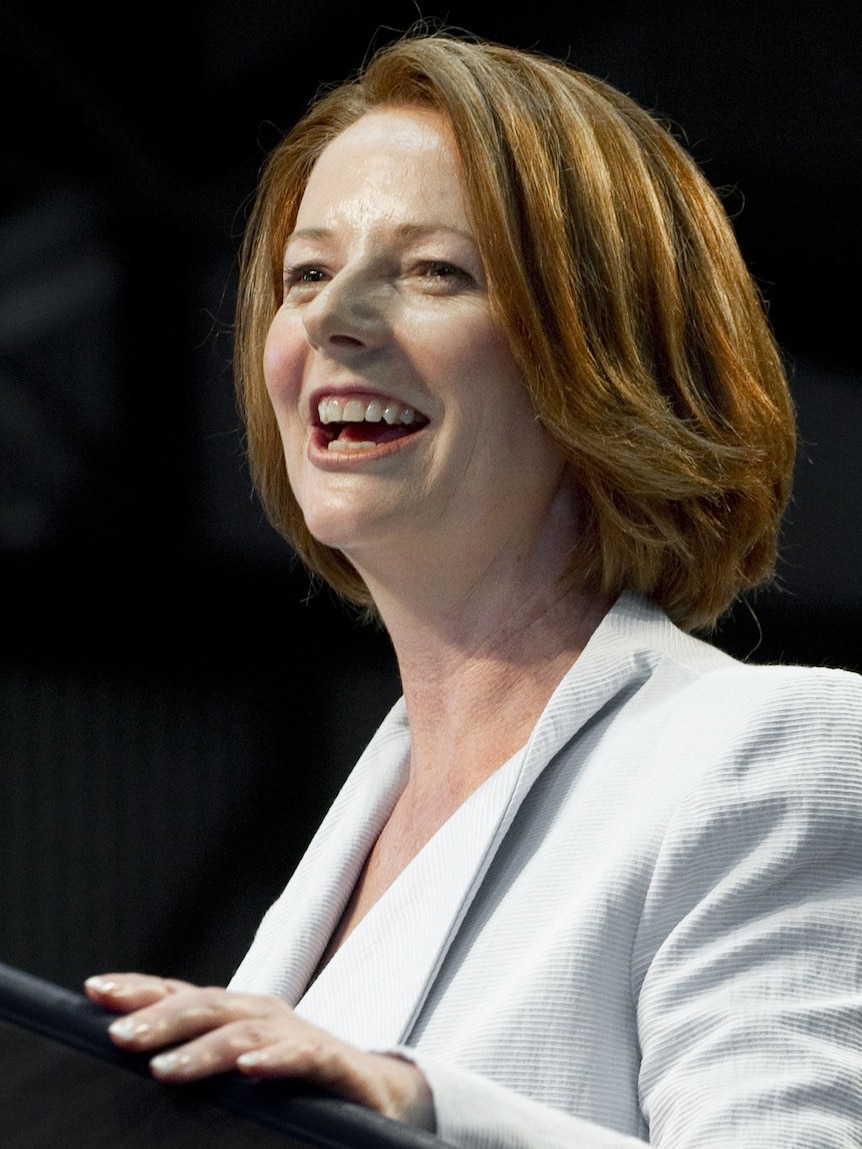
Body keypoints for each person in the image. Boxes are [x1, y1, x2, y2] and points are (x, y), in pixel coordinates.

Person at [84, 31, 862, 1148]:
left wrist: (422, 1112)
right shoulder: (346, 856)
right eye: (305, 274)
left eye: (433, 270)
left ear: (603, 352)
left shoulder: (773, 752)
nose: (330, 318)